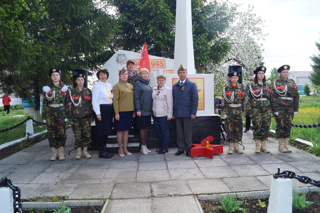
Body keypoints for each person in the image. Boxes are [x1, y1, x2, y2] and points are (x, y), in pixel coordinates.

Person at [271, 65, 299, 153]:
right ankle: (280, 145)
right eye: (284, 72)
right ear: (280, 73)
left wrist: (296, 108)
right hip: (280, 107)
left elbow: (296, 96)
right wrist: (274, 110)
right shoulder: (276, 83)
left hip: (290, 107)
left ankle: (286, 145)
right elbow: (273, 97)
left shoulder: (292, 82)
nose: (286, 74)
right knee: (280, 125)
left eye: (287, 72)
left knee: (288, 124)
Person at [172, 65, 199, 157]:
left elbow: (195, 100)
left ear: (186, 73)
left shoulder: (192, 85)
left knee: (187, 132)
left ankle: (188, 149)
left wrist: (193, 112)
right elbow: (174, 100)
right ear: (178, 74)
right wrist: (173, 113)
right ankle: (180, 148)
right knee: (179, 132)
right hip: (178, 113)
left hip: (188, 113)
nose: (182, 74)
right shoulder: (175, 86)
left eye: (184, 72)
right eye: (180, 72)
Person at [42, 68, 68, 161]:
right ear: (51, 77)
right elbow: (44, 103)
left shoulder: (64, 88)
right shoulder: (47, 89)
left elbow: (67, 102)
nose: (55, 77)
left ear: (59, 76)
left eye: (57, 75)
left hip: (61, 112)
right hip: (50, 112)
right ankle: (54, 153)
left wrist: (67, 115)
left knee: (61, 132)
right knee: (51, 132)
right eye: (53, 75)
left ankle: (61, 152)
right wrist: (44, 115)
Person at [68, 71, 94, 159]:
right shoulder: (72, 92)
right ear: (75, 81)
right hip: (76, 118)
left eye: (82, 79)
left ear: (84, 81)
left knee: (87, 135)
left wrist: (92, 117)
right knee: (78, 135)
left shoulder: (88, 91)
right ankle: (78, 152)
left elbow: (91, 105)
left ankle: (85, 152)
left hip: (86, 118)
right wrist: (70, 119)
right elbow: (69, 107)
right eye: (78, 79)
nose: (80, 81)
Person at [247, 66, 271, 153]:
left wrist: (272, 109)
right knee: (257, 125)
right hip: (256, 108)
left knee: (266, 125)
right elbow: (249, 98)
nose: (261, 75)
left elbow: (271, 98)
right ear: (256, 75)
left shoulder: (267, 85)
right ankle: (257, 146)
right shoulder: (252, 85)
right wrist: (249, 110)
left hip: (267, 108)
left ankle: (264, 146)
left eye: (263, 74)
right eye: (259, 73)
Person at [221, 69, 245, 154]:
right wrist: (224, 113)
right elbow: (224, 101)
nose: (234, 79)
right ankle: (230, 148)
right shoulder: (226, 88)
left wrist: (243, 113)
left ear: (238, 78)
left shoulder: (242, 87)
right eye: (233, 77)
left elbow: (244, 101)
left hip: (238, 110)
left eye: (236, 77)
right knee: (229, 128)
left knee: (238, 129)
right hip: (230, 110)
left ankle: (237, 147)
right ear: (229, 78)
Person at [92, 68, 114, 159]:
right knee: (101, 131)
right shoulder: (96, 86)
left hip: (109, 109)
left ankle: (105, 149)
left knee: (106, 130)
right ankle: (101, 151)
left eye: (104, 74)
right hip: (101, 109)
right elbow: (95, 100)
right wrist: (98, 113)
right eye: (101, 74)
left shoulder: (109, 85)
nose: (103, 76)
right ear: (98, 76)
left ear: (107, 75)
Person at [113, 68, 135, 157]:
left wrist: (133, 110)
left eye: (126, 74)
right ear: (119, 76)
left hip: (129, 111)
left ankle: (125, 148)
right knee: (120, 130)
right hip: (121, 112)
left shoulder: (130, 85)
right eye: (122, 74)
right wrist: (116, 113)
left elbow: (132, 99)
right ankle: (120, 148)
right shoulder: (117, 86)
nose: (124, 76)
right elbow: (115, 100)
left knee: (126, 131)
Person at [152, 75, 173, 154]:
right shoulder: (154, 89)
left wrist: (169, 114)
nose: (161, 82)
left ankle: (165, 148)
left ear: (165, 81)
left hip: (163, 114)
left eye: (162, 80)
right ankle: (161, 147)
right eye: (159, 80)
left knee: (164, 131)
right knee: (158, 131)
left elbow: (170, 102)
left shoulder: (168, 90)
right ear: (157, 81)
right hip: (155, 114)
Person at [134, 68, 153, 155]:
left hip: (148, 110)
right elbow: (136, 97)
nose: (145, 75)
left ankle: (145, 146)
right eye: (143, 73)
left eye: (146, 73)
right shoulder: (138, 83)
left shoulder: (148, 84)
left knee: (146, 128)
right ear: (140, 75)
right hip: (141, 110)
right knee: (142, 128)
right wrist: (138, 109)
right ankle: (143, 146)